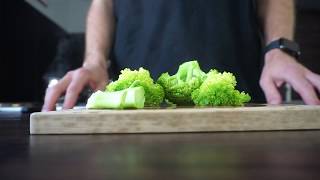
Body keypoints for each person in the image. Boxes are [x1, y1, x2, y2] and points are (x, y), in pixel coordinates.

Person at [42, 0, 320, 111]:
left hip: (236, 108)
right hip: (136, 114)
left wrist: (278, 50)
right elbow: (103, 3)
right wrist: (94, 61)